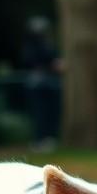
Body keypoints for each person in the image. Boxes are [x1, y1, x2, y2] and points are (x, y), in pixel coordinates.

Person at [21, 16, 63, 151]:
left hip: (49, 84)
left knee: (50, 112)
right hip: (38, 84)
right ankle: (40, 140)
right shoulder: (32, 47)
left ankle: (48, 139)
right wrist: (51, 65)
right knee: (40, 113)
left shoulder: (47, 45)